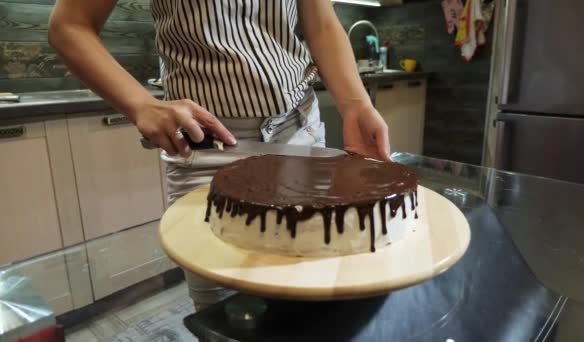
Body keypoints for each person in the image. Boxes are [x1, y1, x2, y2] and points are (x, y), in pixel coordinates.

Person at [49, 0, 391, 310]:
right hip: (209, 148)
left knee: (307, 295)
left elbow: (321, 22)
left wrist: (356, 104)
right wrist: (141, 104)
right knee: (226, 315)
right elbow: (69, 25)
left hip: (301, 133)